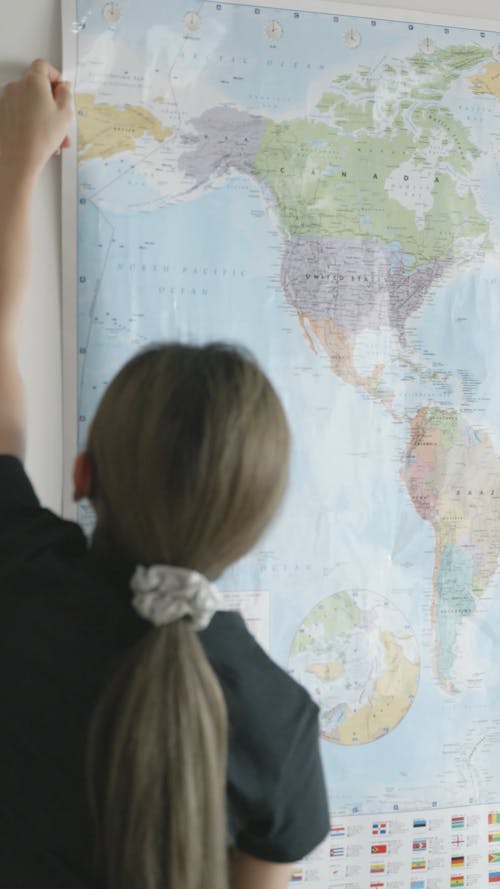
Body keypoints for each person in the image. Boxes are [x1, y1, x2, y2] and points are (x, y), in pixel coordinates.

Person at [0, 62, 329, 889]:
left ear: (83, 475)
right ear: (252, 522)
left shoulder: (22, 581)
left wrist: (18, 160)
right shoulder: (277, 723)